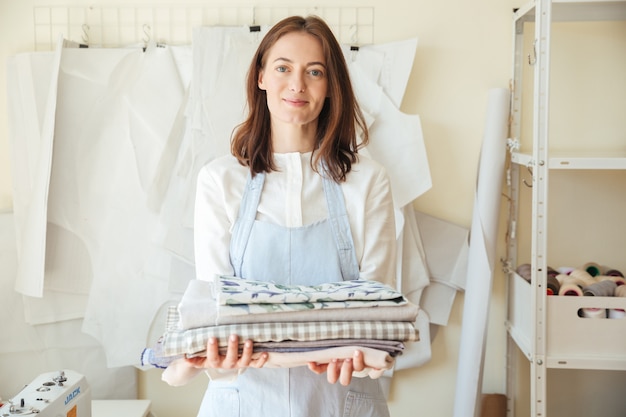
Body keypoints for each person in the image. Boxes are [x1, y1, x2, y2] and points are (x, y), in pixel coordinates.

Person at [177, 15, 397, 417]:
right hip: (243, 401)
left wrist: (365, 352)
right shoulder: (219, 180)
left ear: (331, 87)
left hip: (340, 399)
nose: (297, 84)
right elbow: (215, 305)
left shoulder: (368, 182)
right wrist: (217, 356)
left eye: (314, 72)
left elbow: (378, 310)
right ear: (261, 76)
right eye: (283, 68)